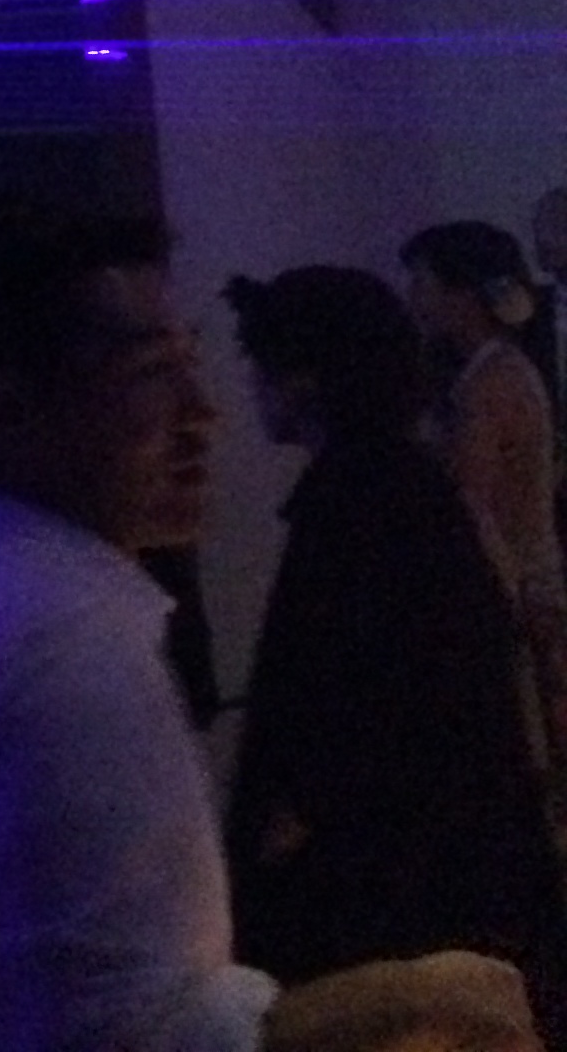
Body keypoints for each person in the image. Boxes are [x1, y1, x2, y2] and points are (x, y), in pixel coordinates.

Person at [0, 210, 531, 1052]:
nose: (203, 411)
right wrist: (413, 995)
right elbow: (146, 1029)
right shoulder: (72, 642)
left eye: (194, 361)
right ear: (7, 406)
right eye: (152, 373)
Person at [221, 267, 560, 993]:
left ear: (303, 377)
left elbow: (342, 697)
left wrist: (288, 823)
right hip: (457, 856)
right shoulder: (404, 482)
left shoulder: (356, 499)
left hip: (399, 879)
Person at [403, 218, 567, 746]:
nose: (413, 299)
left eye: (422, 283)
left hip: (518, 592)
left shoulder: (491, 383)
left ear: (465, 295)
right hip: (529, 583)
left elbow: (470, 503)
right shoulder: (498, 371)